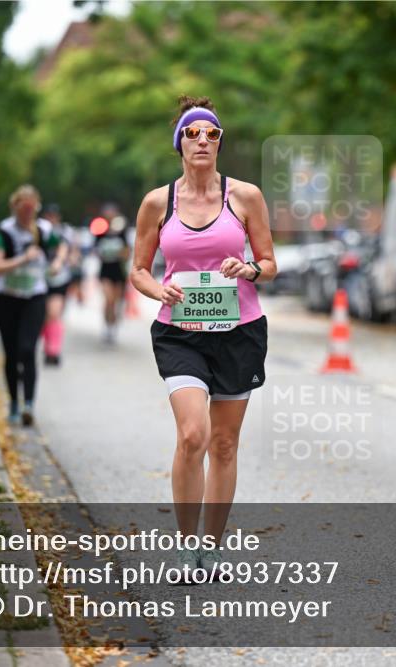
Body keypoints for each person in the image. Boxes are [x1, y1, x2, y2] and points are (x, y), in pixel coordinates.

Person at [131, 96, 277, 579]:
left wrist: (249, 268)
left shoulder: (245, 197)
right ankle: (185, 545)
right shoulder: (158, 202)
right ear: (179, 143)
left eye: (212, 134)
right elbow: (138, 271)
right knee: (193, 434)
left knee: (225, 444)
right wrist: (160, 289)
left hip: (239, 331)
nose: (203, 141)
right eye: (193, 133)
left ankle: (211, 550)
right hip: (181, 334)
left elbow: (270, 264)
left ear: (219, 144)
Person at [0, 185, 67, 426]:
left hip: (34, 297)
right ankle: (13, 401)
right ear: (15, 208)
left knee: (27, 349)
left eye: (32, 209)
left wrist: (57, 263)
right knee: (11, 354)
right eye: (24, 209)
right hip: (8, 299)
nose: (28, 214)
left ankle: (29, 404)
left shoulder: (43, 230)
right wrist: (23, 259)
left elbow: (61, 245)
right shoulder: (4, 232)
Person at [95, 206, 131, 343]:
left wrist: (121, 254)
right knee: (108, 299)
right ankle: (107, 325)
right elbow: (96, 250)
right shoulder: (100, 232)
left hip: (118, 271)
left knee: (115, 302)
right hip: (105, 270)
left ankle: (112, 326)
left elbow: (127, 251)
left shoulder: (122, 231)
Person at [41, 204, 70, 365]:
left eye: (54, 216)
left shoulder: (63, 232)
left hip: (59, 278)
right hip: (40, 279)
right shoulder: (39, 231)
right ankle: (47, 347)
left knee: (54, 312)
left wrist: (58, 262)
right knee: (44, 316)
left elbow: (64, 248)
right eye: (49, 215)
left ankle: (54, 350)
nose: (51, 219)